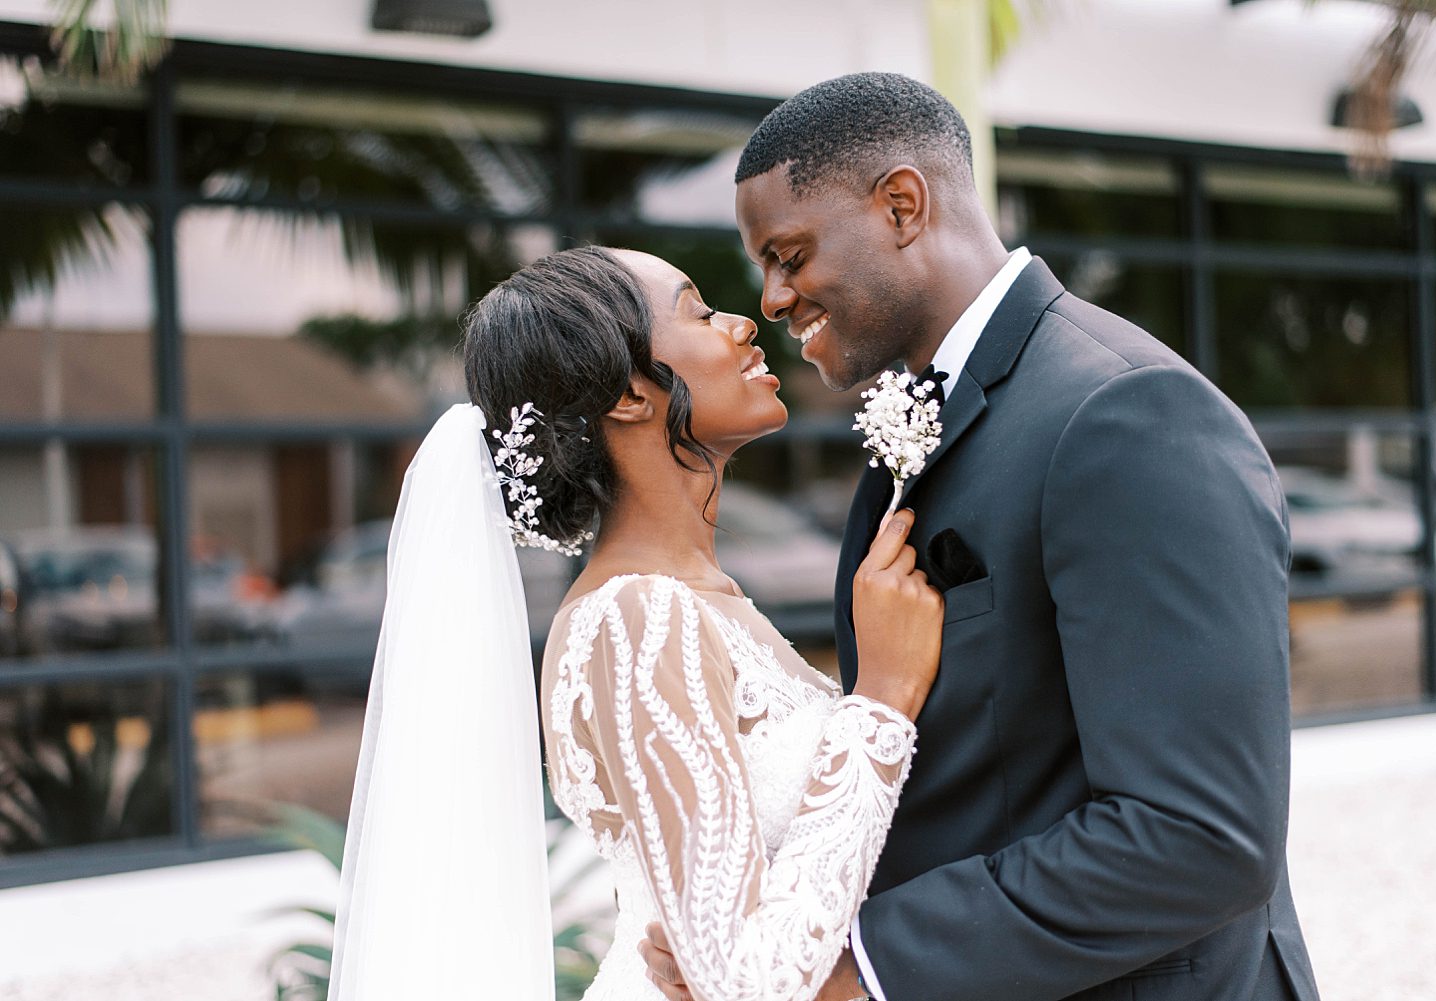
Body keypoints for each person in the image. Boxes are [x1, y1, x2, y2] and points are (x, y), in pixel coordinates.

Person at [642, 72, 1320, 1001]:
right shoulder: (916, 419)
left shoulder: (1124, 413)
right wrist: (767, 924)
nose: (771, 297)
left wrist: (863, 966)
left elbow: (1200, 835)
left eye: (790, 255)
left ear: (902, 206)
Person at [325, 244, 944, 1001]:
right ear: (626, 394)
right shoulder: (636, 618)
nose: (745, 323)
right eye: (698, 310)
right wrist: (879, 702)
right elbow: (748, 980)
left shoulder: (699, 600)